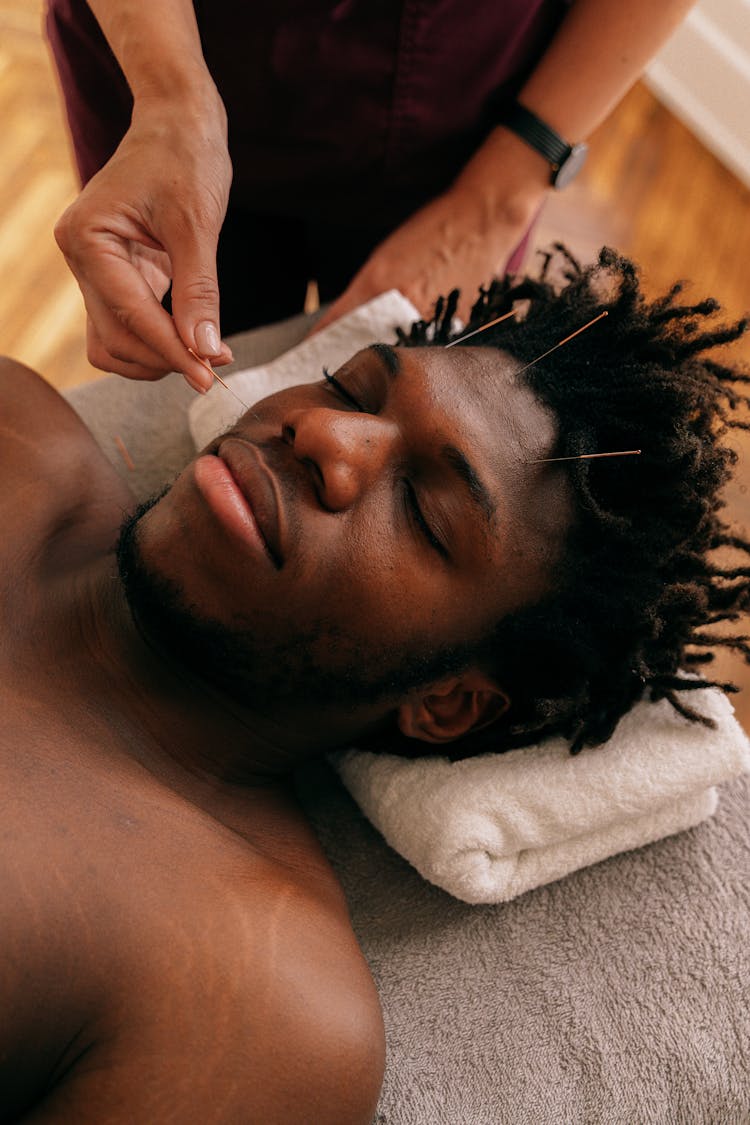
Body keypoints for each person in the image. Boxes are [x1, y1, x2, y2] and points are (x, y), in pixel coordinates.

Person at [1, 248, 748, 1120]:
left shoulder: (247, 999)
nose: (321, 435)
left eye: (425, 513)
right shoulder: (16, 431)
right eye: (351, 391)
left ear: (448, 704)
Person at [45, 0, 696, 392]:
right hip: (157, 67)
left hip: (467, 122)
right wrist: (169, 94)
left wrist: (499, 195)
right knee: (175, 397)